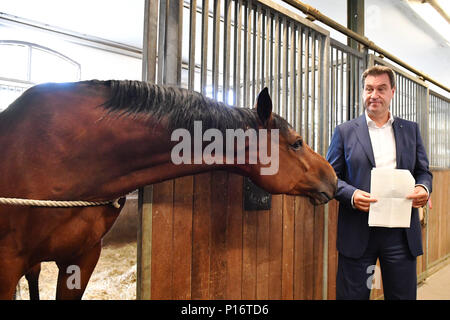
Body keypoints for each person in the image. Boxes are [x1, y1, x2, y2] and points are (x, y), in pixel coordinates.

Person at [326, 65, 433, 300]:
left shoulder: (411, 131)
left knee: (402, 296)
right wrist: (352, 195)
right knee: (352, 296)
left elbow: (423, 172)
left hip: (400, 233)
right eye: (369, 89)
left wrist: (423, 188)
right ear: (363, 92)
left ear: (392, 91)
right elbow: (330, 177)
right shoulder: (344, 132)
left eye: (381, 89)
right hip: (358, 230)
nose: (374, 95)